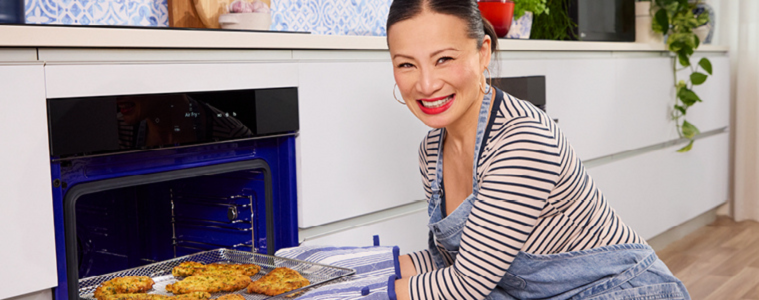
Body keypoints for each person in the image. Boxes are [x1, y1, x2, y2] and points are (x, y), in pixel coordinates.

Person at [385, 0, 690, 299]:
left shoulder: (520, 140)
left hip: (618, 291)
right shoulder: (431, 151)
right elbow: (454, 264)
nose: (425, 85)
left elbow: (467, 285)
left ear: (482, 54)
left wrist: (361, 294)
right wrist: (368, 269)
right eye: (406, 64)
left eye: (444, 59)